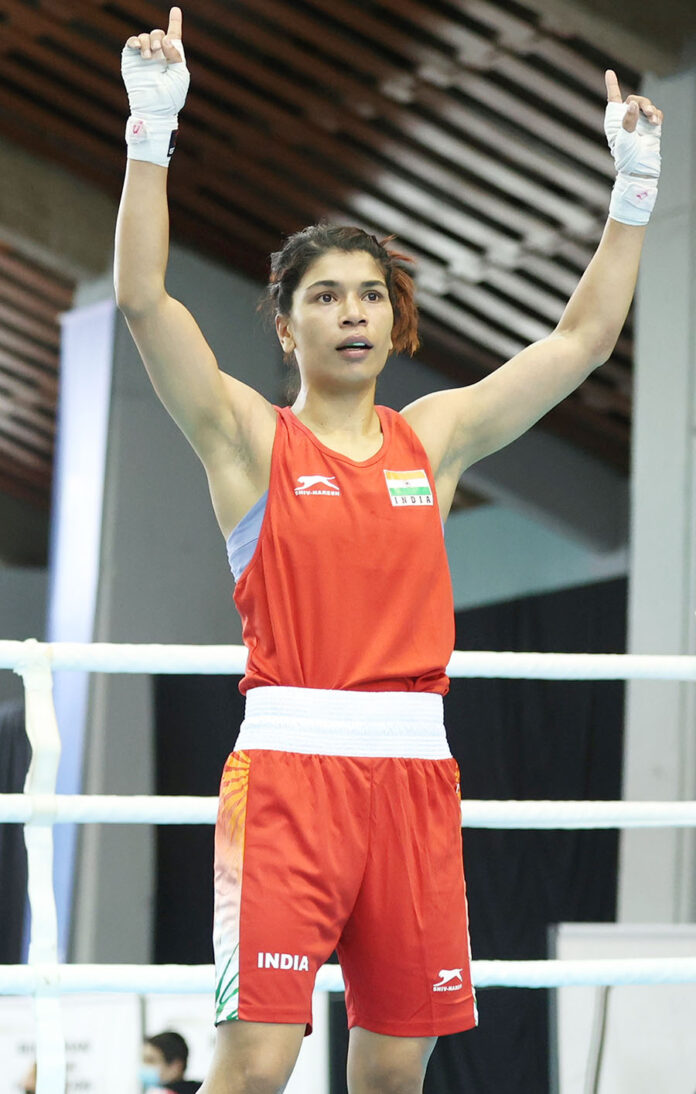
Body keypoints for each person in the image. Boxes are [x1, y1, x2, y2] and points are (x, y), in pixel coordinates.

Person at [115, 8, 663, 1093]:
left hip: (415, 778)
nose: (353, 314)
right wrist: (149, 129)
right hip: (284, 780)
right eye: (326, 296)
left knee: (393, 1074)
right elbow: (141, 300)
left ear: (393, 316)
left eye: (370, 293)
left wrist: (635, 191)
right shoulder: (246, 440)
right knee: (258, 1060)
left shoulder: (440, 437)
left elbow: (580, 341)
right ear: (287, 325)